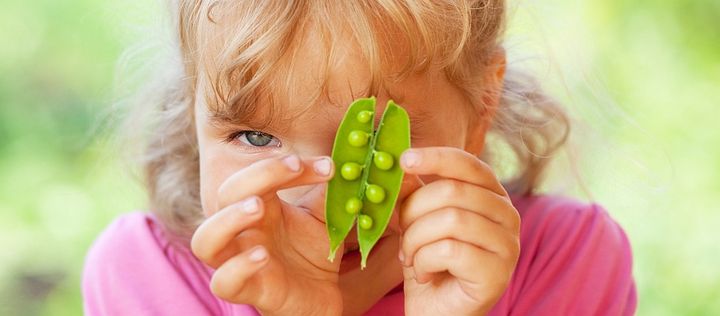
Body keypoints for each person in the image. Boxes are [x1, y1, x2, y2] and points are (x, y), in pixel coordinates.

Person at [82, 1, 637, 315]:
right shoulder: (145, 276)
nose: (321, 203)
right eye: (254, 138)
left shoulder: (565, 259)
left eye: (372, 141)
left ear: (480, 110)